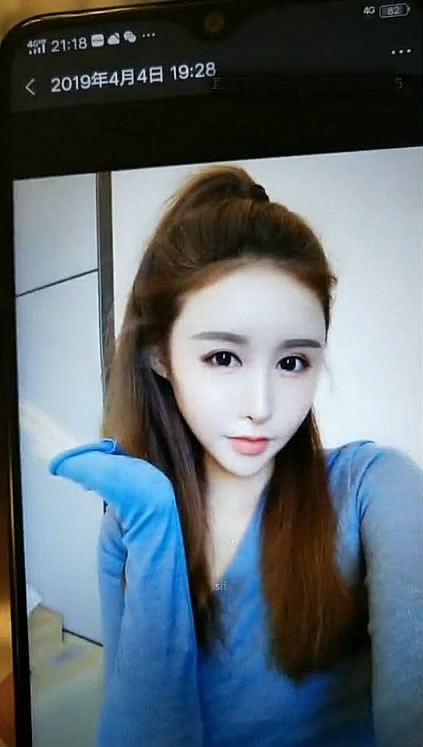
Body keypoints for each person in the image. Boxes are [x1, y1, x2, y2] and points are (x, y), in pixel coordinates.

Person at [49, 164, 423, 747]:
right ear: (159, 355)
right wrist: (153, 517)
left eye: (293, 362)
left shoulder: (375, 490)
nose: (261, 407)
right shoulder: (129, 523)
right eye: (223, 358)